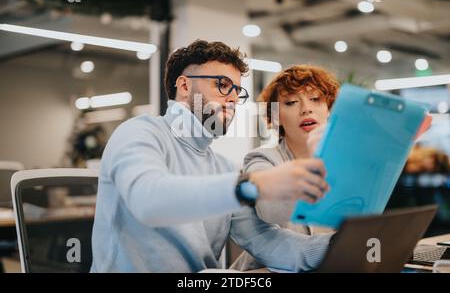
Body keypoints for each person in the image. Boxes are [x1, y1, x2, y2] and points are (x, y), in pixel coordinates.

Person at [90, 40, 332, 273]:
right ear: (184, 86)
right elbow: (149, 200)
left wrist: (345, 245)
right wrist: (252, 186)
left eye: (237, 90)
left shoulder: (223, 169)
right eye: (223, 85)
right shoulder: (140, 133)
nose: (234, 98)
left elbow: (266, 240)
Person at [231, 65, 339, 271]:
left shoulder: (343, 163)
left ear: (329, 108)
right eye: (291, 102)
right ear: (277, 117)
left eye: (315, 99)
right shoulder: (262, 159)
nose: (306, 109)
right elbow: (270, 210)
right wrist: (315, 167)